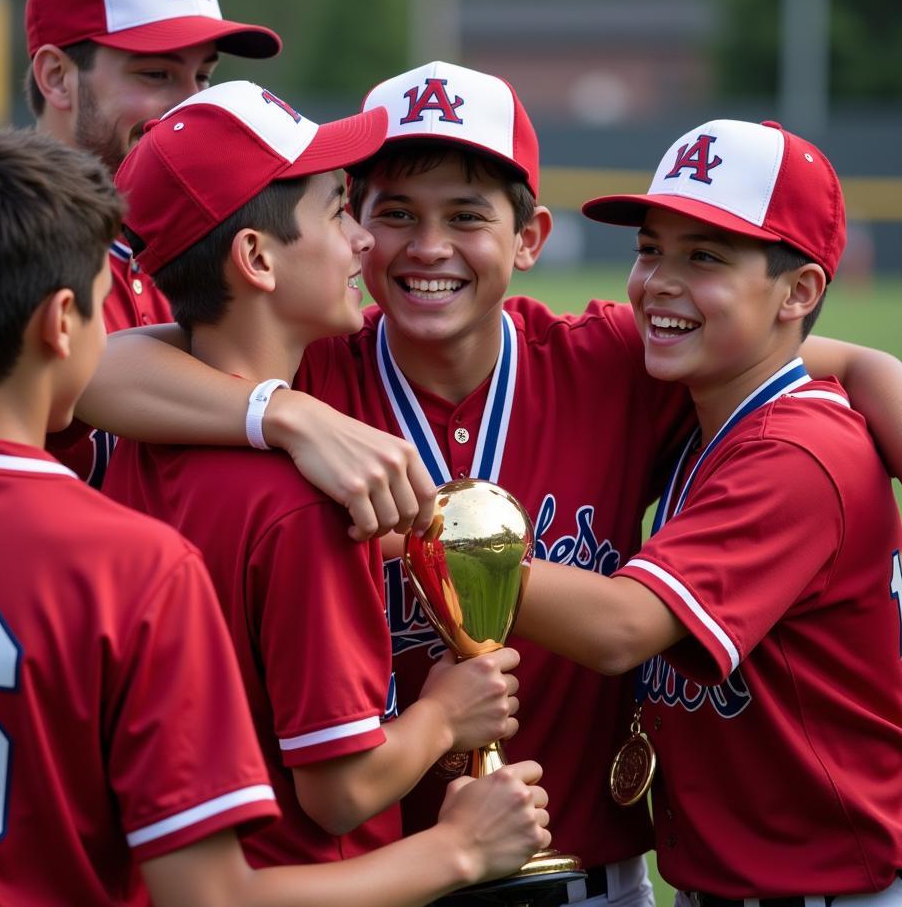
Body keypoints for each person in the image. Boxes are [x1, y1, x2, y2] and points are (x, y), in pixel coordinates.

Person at [77, 63, 902, 907]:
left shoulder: (612, 361)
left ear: (530, 237)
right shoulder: (310, 363)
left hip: (590, 877)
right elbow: (95, 371)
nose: (428, 246)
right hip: (392, 874)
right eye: (395, 212)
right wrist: (283, 414)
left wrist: (874, 371)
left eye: (466, 215)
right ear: (357, 229)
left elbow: (787, 362)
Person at [0, 125, 551, 906]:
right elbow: (326, 803)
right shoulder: (274, 514)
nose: (365, 239)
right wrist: (452, 799)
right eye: (340, 212)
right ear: (65, 323)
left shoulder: (131, 451)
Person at [0, 0, 436, 536]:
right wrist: (286, 414)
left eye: (203, 75)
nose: (192, 101)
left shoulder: (227, 247)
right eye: (156, 74)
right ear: (56, 76)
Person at [103, 81, 525, 870]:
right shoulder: (310, 500)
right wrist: (443, 715)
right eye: (337, 210)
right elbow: (339, 791)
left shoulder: (144, 437)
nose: (364, 240)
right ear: (257, 258)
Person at [517, 119, 902, 903]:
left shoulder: (795, 451)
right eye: (651, 248)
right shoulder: (717, 414)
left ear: (798, 292)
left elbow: (621, 628)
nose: (659, 280)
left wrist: (423, 542)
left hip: (825, 887)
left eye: (705, 257)